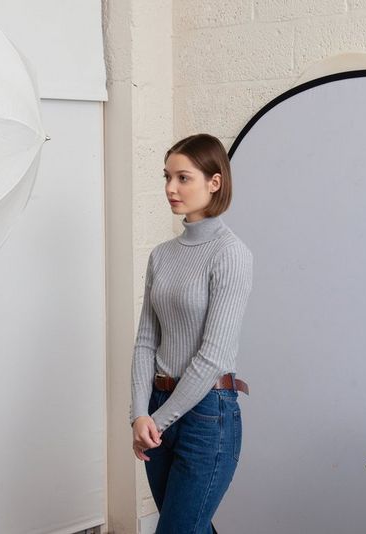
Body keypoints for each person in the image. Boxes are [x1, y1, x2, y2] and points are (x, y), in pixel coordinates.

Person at [130, 133, 253, 533]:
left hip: (207, 414)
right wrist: (139, 414)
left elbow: (213, 356)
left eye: (183, 178)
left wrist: (158, 421)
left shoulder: (230, 253)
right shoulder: (161, 255)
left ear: (214, 182)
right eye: (167, 177)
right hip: (158, 404)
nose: (171, 188)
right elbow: (145, 341)